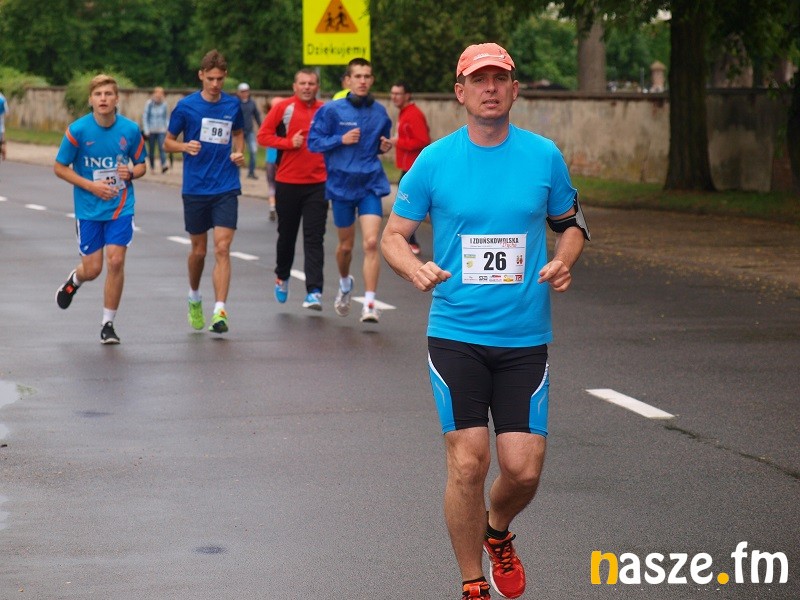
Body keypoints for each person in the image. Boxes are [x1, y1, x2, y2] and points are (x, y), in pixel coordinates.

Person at [380, 43, 589, 600]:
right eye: (479, 80)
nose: (490, 88)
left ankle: (497, 531)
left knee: (523, 470)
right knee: (469, 461)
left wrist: (564, 260)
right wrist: (414, 268)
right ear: (460, 92)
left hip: (524, 337)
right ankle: (472, 580)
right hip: (456, 333)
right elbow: (393, 236)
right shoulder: (434, 161)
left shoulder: (543, 156)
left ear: (515, 89)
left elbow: (571, 224)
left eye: (500, 78)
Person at [54, 74, 147, 344]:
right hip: (89, 209)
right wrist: (91, 186)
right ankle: (75, 280)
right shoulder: (78, 131)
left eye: (108, 94)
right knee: (93, 269)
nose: (103, 99)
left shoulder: (130, 130)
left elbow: (142, 164)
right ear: (90, 100)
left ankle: (108, 324)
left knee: (115, 261)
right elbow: (59, 167)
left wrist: (131, 172)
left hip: (120, 207)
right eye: (98, 94)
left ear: (117, 99)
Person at [164, 49, 245, 334]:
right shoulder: (186, 107)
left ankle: (219, 311)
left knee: (222, 247)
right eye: (210, 78)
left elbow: (238, 133)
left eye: (220, 79)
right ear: (201, 75)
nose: (215, 84)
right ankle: (194, 295)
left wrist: (238, 153)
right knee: (199, 252)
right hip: (196, 187)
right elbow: (167, 142)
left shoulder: (233, 104)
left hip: (226, 185)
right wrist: (184, 146)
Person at [307, 57, 392, 323]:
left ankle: (370, 304)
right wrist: (340, 139)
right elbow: (313, 142)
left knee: (371, 243)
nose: (363, 81)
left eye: (367, 76)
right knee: (345, 247)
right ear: (347, 80)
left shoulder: (380, 112)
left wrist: (383, 147)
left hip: (369, 184)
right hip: (341, 186)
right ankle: (345, 283)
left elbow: (379, 144)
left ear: (372, 80)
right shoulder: (332, 111)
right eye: (358, 76)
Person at [257, 69, 327, 311]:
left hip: (318, 183)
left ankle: (314, 291)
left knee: (314, 237)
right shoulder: (283, 108)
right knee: (287, 235)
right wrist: (288, 143)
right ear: (294, 86)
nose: (307, 87)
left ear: (317, 87)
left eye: (311, 83)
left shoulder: (325, 110)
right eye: (302, 83)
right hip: (287, 182)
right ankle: (282, 276)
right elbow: (263, 136)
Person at [389, 80, 431, 256]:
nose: (394, 97)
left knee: (407, 205)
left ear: (407, 95)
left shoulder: (413, 114)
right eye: (392, 93)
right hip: (407, 166)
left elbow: (423, 140)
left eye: (398, 94)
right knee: (408, 204)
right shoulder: (404, 112)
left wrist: (399, 142)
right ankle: (409, 240)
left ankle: (411, 241)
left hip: (413, 168)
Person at [142, 86, 170, 173]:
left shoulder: (164, 104)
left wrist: (168, 128)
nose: (159, 96)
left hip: (161, 129)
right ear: (154, 94)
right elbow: (145, 117)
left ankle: (164, 165)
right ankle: (152, 167)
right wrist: (146, 130)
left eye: (161, 94)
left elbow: (166, 117)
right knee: (151, 149)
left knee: (162, 147)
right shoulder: (149, 104)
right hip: (151, 130)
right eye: (157, 94)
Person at [237, 82, 262, 179]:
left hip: (249, 131)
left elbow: (257, 115)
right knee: (238, 153)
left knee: (253, 151)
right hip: (238, 132)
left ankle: (251, 172)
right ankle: (236, 173)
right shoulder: (236, 103)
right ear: (239, 92)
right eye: (242, 91)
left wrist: (261, 127)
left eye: (246, 91)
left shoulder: (252, 103)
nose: (244, 93)